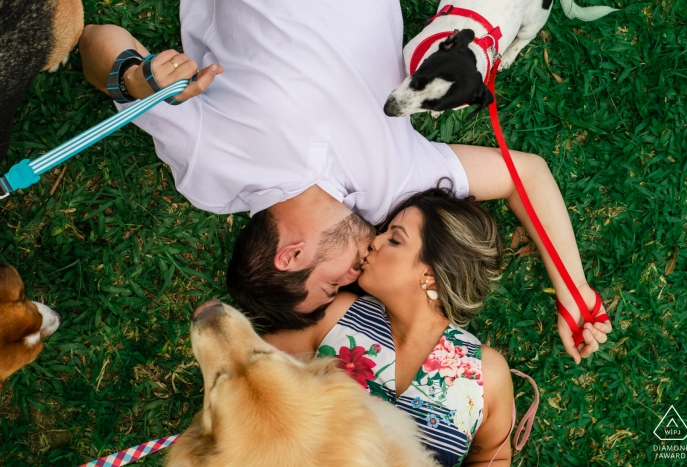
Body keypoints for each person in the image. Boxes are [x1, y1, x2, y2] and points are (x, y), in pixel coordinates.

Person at [78, 0, 611, 363]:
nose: (357, 274)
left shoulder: (210, 173)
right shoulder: (393, 194)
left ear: (290, 256)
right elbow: (527, 176)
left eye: (333, 284)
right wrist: (575, 291)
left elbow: (93, 40)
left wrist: (136, 76)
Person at [265, 185, 527, 466]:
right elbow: (255, 371)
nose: (375, 241)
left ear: (431, 275)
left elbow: (491, 457)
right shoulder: (336, 316)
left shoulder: (485, 374)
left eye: (395, 239)